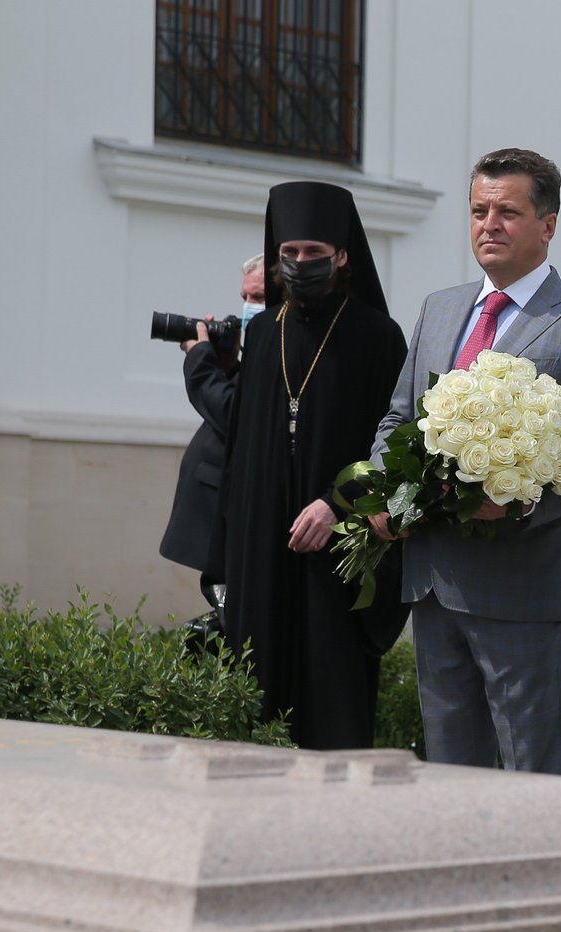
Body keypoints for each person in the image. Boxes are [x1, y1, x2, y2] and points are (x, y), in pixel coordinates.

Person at [371, 148, 561, 773]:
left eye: (508, 212)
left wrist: (521, 500)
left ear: (548, 225)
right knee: (451, 768)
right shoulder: (440, 307)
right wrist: (387, 497)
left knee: (528, 770)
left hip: (521, 586)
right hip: (434, 578)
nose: (490, 224)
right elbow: (399, 418)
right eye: (479, 210)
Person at [216, 182, 410, 749]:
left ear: (342, 255)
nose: (301, 265)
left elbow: (395, 446)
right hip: (262, 558)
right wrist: (223, 560)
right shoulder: (263, 333)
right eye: (290, 254)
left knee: (334, 711)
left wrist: (336, 502)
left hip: (338, 557)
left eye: (315, 254)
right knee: (257, 707)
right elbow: (239, 455)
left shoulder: (378, 337)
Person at [161, 255, 266, 604]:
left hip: (238, 522)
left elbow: (235, 416)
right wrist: (227, 363)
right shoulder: (260, 347)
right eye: (246, 297)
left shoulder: (284, 352)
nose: (248, 307)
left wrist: (200, 359)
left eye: (260, 298)